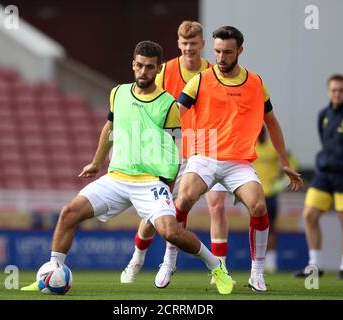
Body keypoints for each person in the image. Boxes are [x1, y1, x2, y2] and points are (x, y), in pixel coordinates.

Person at [20, 40, 233, 294]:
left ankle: (217, 267)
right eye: (140, 66)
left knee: (171, 233)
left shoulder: (168, 104)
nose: (144, 72)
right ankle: (51, 272)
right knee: (68, 212)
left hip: (151, 182)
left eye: (150, 67)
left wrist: (168, 186)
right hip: (116, 178)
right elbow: (109, 127)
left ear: (158, 69)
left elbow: (176, 150)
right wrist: (97, 162)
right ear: (133, 65)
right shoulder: (118, 93)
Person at [159, 26, 303, 293]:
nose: (221, 57)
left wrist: (285, 162)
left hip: (239, 162)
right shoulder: (200, 80)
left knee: (259, 206)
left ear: (240, 51)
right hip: (204, 156)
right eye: (217, 51)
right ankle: (169, 260)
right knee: (183, 200)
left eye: (227, 52)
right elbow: (174, 114)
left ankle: (257, 273)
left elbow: (272, 124)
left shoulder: (256, 83)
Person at [120, 21, 230, 288]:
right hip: (170, 145)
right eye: (184, 44)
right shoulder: (165, 70)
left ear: (202, 44)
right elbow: (149, 100)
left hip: (206, 144)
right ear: (178, 44)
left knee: (216, 206)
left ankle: (219, 269)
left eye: (194, 43)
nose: (189, 48)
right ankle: (138, 258)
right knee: (157, 211)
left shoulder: (214, 72)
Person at [294, 74, 343, 280]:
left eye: (341, 90)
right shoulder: (323, 115)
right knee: (309, 215)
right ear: (329, 91)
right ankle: (315, 265)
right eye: (334, 90)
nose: (337, 93)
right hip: (323, 174)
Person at [254, 126, 298, 273]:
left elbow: (291, 160)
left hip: (270, 194)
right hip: (255, 193)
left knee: (271, 227)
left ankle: (271, 262)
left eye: (262, 132)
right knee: (254, 227)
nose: (260, 134)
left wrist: (283, 183)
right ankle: (256, 262)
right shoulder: (250, 147)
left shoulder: (273, 147)